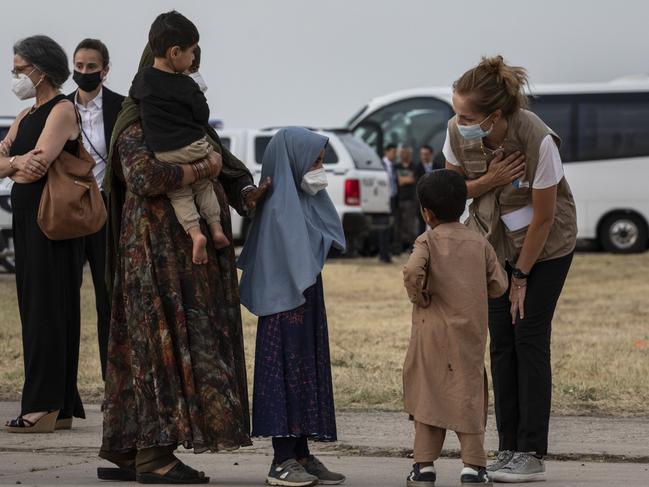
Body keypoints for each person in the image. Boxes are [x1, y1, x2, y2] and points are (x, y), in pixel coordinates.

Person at [97, 42, 270, 483]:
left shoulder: (186, 119)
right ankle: (153, 457)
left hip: (187, 261)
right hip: (154, 258)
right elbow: (142, 176)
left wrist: (248, 194)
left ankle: (135, 450)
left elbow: (227, 169)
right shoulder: (137, 119)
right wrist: (198, 172)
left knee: (166, 346)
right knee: (157, 348)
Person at [445, 56, 577, 483]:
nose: (457, 120)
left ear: (495, 116)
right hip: (492, 245)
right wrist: (485, 183)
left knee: (529, 336)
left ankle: (532, 452)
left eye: (466, 115)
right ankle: (507, 448)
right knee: (501, 341)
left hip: (546, 247)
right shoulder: (455, 133)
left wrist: (520, 276)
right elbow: (448, 193)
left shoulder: (537, 138)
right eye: (456, 111)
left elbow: (543, 219)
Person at [238, 127, 346, 487]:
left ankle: (301, 453)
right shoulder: (279, 211)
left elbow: (327, 238)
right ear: (295, 162)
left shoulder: (305, 200)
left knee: (304, 374)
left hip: (305, 304)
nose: (320, 167)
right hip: (283, 310)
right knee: (284, 376)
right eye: (314, 161)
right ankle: (281, 459)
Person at [1, 35, 85, 433]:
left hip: (50, 219)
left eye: (20, 68)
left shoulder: (62, 108)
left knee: (49, 308)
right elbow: (15, 161)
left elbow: (42, 162)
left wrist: (11, 163)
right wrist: (14, 163)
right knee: (38, 305)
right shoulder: (26, 113)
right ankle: (61, 404)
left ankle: (43, 404)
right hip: (28, 217)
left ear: (41, 69)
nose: (15, 74)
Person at [403, 170, 507, 486]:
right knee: (468, 393)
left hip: (430, 333)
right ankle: (474, 466)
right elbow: (499, 285)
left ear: (426, 212)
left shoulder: (427, 240)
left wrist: (420, 296)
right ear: (463, 205)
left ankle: (424, 467)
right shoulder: (480, 243)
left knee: (428, 395)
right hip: (469, 336)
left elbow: (411, 271)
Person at [129, 11, 229, 265]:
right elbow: (202, 115)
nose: (193, 57)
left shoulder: (142, 79)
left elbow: (135, 97)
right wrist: (193, 88)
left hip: (164, 153)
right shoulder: (185, 85)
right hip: (195, 147)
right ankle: (215, 228)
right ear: (175, 52)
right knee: (204, 184)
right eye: (192, 51)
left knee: (180, 195)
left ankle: (195, 233)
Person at [67, 38, 125, 382]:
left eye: (91, 66)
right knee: (65, 299)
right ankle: (63, 388)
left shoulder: (122, 106)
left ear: (105, 69)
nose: (84, 72)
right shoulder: (61, 108)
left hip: (106, 212)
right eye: (79, 65)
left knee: (108, 299)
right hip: (70, 210)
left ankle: (112, 383)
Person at [395, 145, 419, 250]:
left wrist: (405, 180)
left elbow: (413, 179)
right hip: (398, 199)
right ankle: (398, 247)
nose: (402, 155)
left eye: (405, 152)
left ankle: (412, 247)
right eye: (401, 152)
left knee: (410, 225)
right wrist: (407, 179)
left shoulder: (414, 166)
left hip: (410, 200)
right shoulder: (397, 166)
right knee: (398, 225)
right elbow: (399, 180)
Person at [378, 142, 399, 263]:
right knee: (383, 226)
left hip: (392, 198)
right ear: (386, 152)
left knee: (390, 227)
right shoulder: (381, 165)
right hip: (383, 199)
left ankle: (387, 253)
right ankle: (383, 254)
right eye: (393, 152)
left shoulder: (393, 166)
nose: (395, 155)